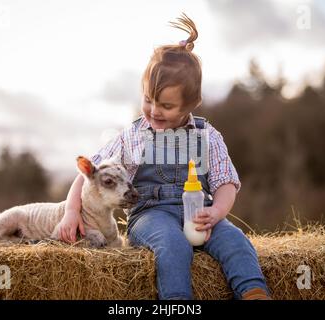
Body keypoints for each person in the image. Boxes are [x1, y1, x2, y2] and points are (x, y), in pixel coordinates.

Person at [58, 13, 271, 300]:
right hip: (151, 216)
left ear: (190, 103)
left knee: (235, 241)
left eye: (166, 105)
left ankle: (253, 292)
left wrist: (217, 213)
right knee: (173, 245)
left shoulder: (208, 136)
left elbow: (226, 183)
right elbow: (89, 176)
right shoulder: (131, 136)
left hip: (200, 215)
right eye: (148, 100)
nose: (154, 111)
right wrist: (71, 212)